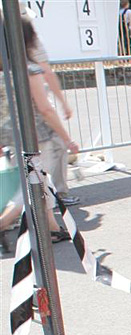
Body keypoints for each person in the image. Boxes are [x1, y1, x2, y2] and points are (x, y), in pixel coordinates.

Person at [0, 17, 80, 244]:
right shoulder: (28, 69)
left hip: (12, 135)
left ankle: (52, 228)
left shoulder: (5, 69)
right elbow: (45, 109)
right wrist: (67, 139)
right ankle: (3, 222)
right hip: (38, 136)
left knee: (39, 182)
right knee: (32, 186)